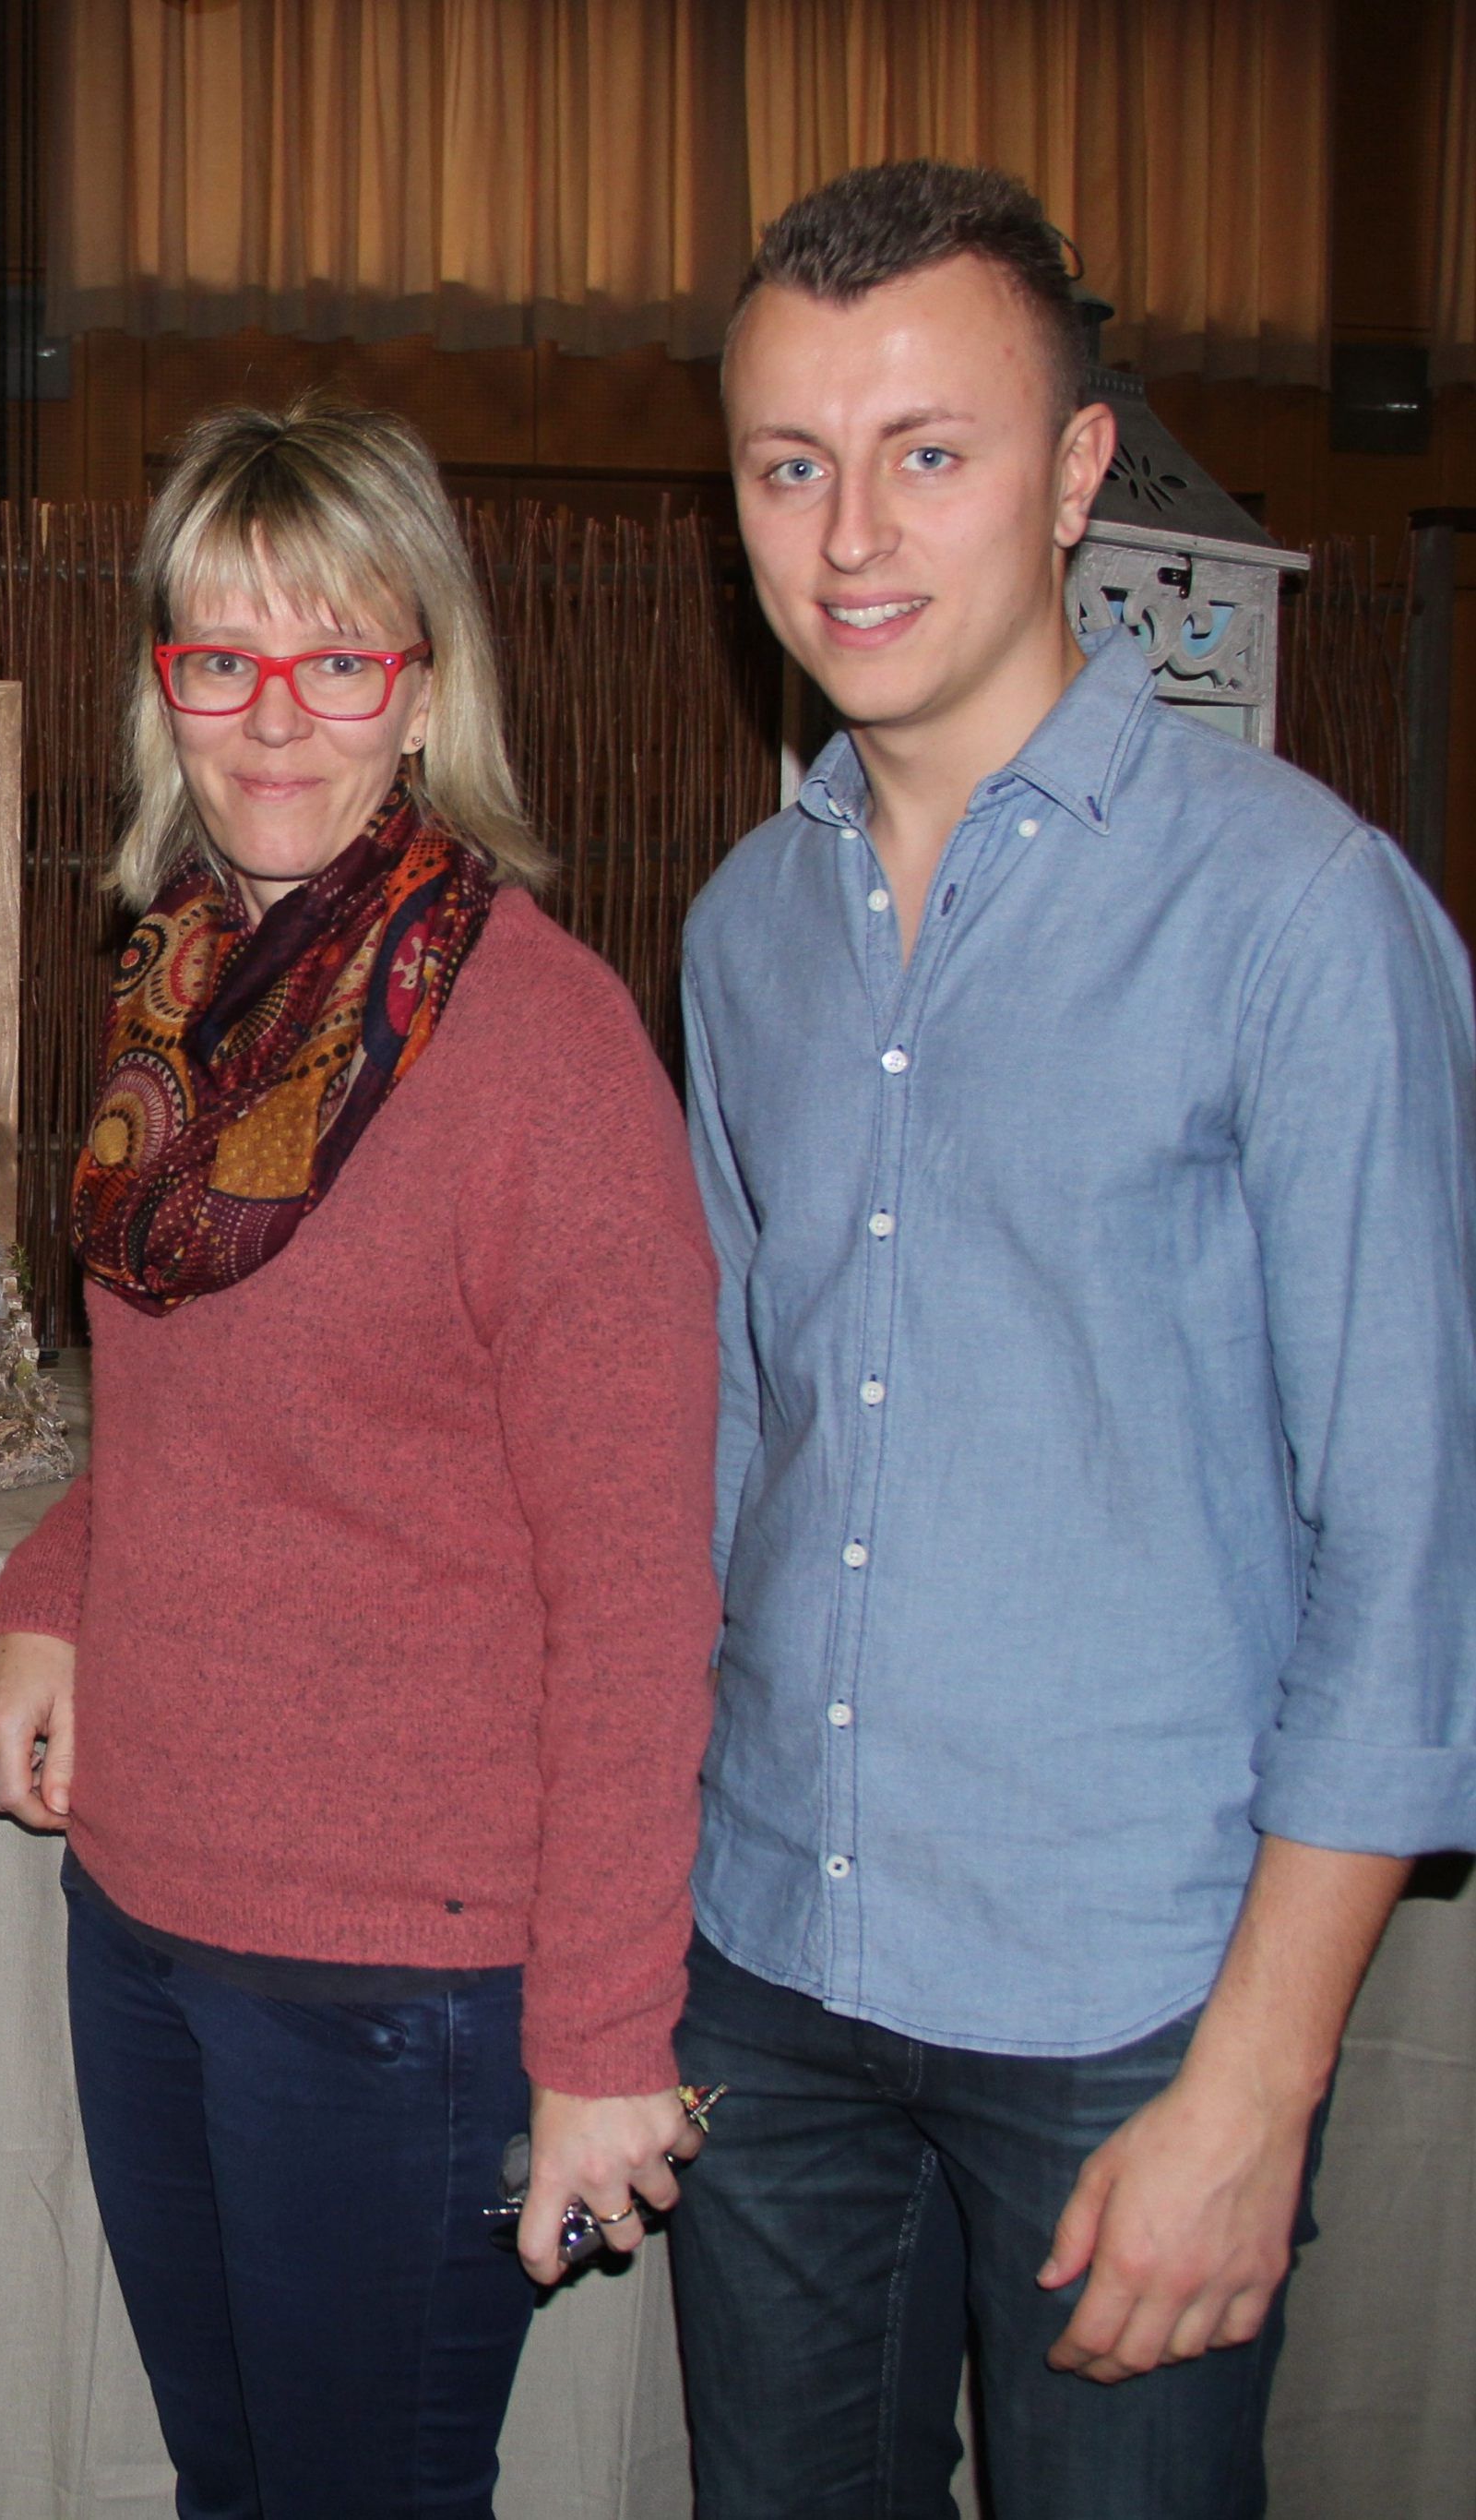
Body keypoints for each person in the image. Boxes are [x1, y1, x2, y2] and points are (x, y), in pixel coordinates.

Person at [673, 161, 1476, 2518]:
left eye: (931, 450)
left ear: (1082, 471)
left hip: (1130, 2008)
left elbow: (1419, 1549)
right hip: (774, 1963)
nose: (850, 536)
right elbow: (735, 1448)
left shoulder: (1305, 919)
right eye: (788, 463)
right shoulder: (744, 931)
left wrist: (1257, 2084)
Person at [0, 397, 720, 2516]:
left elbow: (646, 1592)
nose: (271, 717)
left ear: (427, 688)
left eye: (337, 658)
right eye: (218, 657)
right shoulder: (181, 1000)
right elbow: (200, 1422)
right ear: (160, 690)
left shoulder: (544, 1054)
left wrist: (601, 2043)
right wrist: (50, 1593)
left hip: (408, 1974)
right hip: (153, 1909)